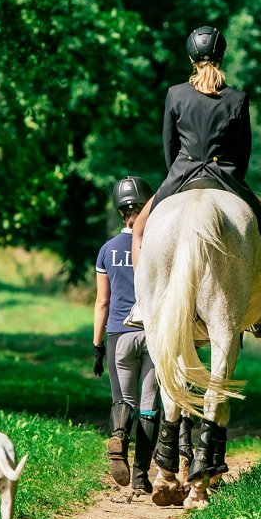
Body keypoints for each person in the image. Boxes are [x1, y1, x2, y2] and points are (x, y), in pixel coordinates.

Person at [127, 25, 261, 335]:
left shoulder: (175, 93)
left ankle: (142, 304)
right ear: (222, 56)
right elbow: (243, 153)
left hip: (182, 173)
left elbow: (169, 146)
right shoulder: (237, 98)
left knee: (141, 229)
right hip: (225, 176)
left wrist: (179, 173)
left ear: (190, 57)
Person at [94, 176, 160, 492]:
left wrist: (97, 346)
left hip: (118, 335)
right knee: (149, 405)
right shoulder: (158, 244)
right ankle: (141, 476)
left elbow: (102, 301)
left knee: (124, 400)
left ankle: (119, 438)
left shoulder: (107, 250)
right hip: (152, 334)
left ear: (121, 212)